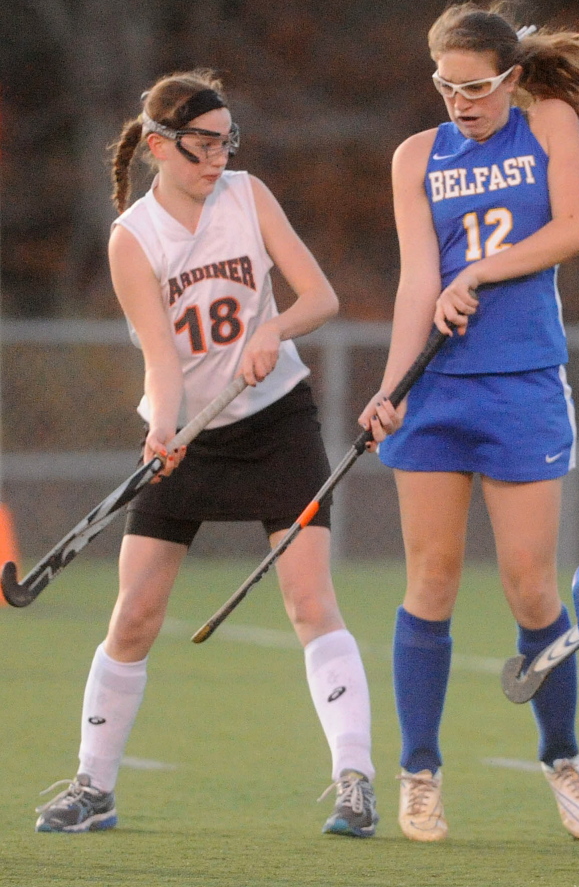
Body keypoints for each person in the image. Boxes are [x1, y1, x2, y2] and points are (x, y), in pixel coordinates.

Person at [35, 69, 379, 838]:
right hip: (189, 436)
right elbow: (160, 360)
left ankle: (354, 780)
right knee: (136, 614)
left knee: (309, 601)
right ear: (159, 147)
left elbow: (318, 298)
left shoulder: (248, 197)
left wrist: (274, 329)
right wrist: (162, 427)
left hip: (276, 423)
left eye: (227, 143)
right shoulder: (134, 239)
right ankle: (95, 786)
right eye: (201, 147)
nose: (217, 159)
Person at [359, 3, 579, 841]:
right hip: (439, 391)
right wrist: (392, 386)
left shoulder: (550, 122)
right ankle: (420, 772)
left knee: (530, 585)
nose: (460, 103)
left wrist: (481, 273)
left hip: (521, 384)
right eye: (445, 87)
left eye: (475, 88)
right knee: (429, 583)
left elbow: (573, 230)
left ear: (509, 78)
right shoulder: (416, 157)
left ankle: (561, 755)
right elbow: (415, 282)